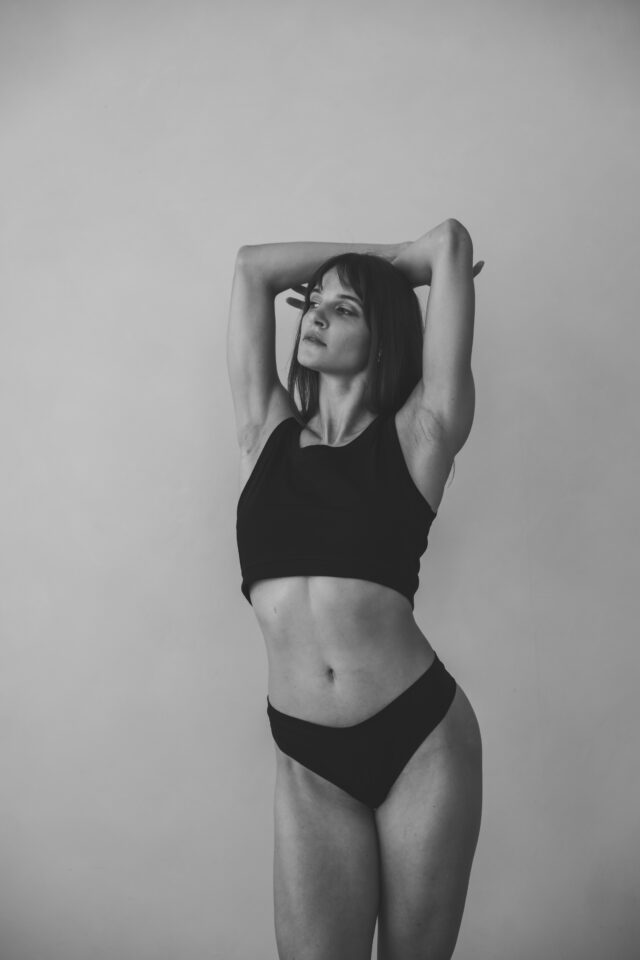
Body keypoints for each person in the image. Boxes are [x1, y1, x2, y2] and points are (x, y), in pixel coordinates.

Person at [227, 220, 485, 960]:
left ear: (384, 337)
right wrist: (368, 267)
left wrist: (397, 272)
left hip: (420, 741)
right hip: (308, 757)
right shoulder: (264, 432)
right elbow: (251, 268)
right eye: (315, 302)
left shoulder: (421, 433)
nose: (316, 315)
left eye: (345, 310)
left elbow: (450, 244)